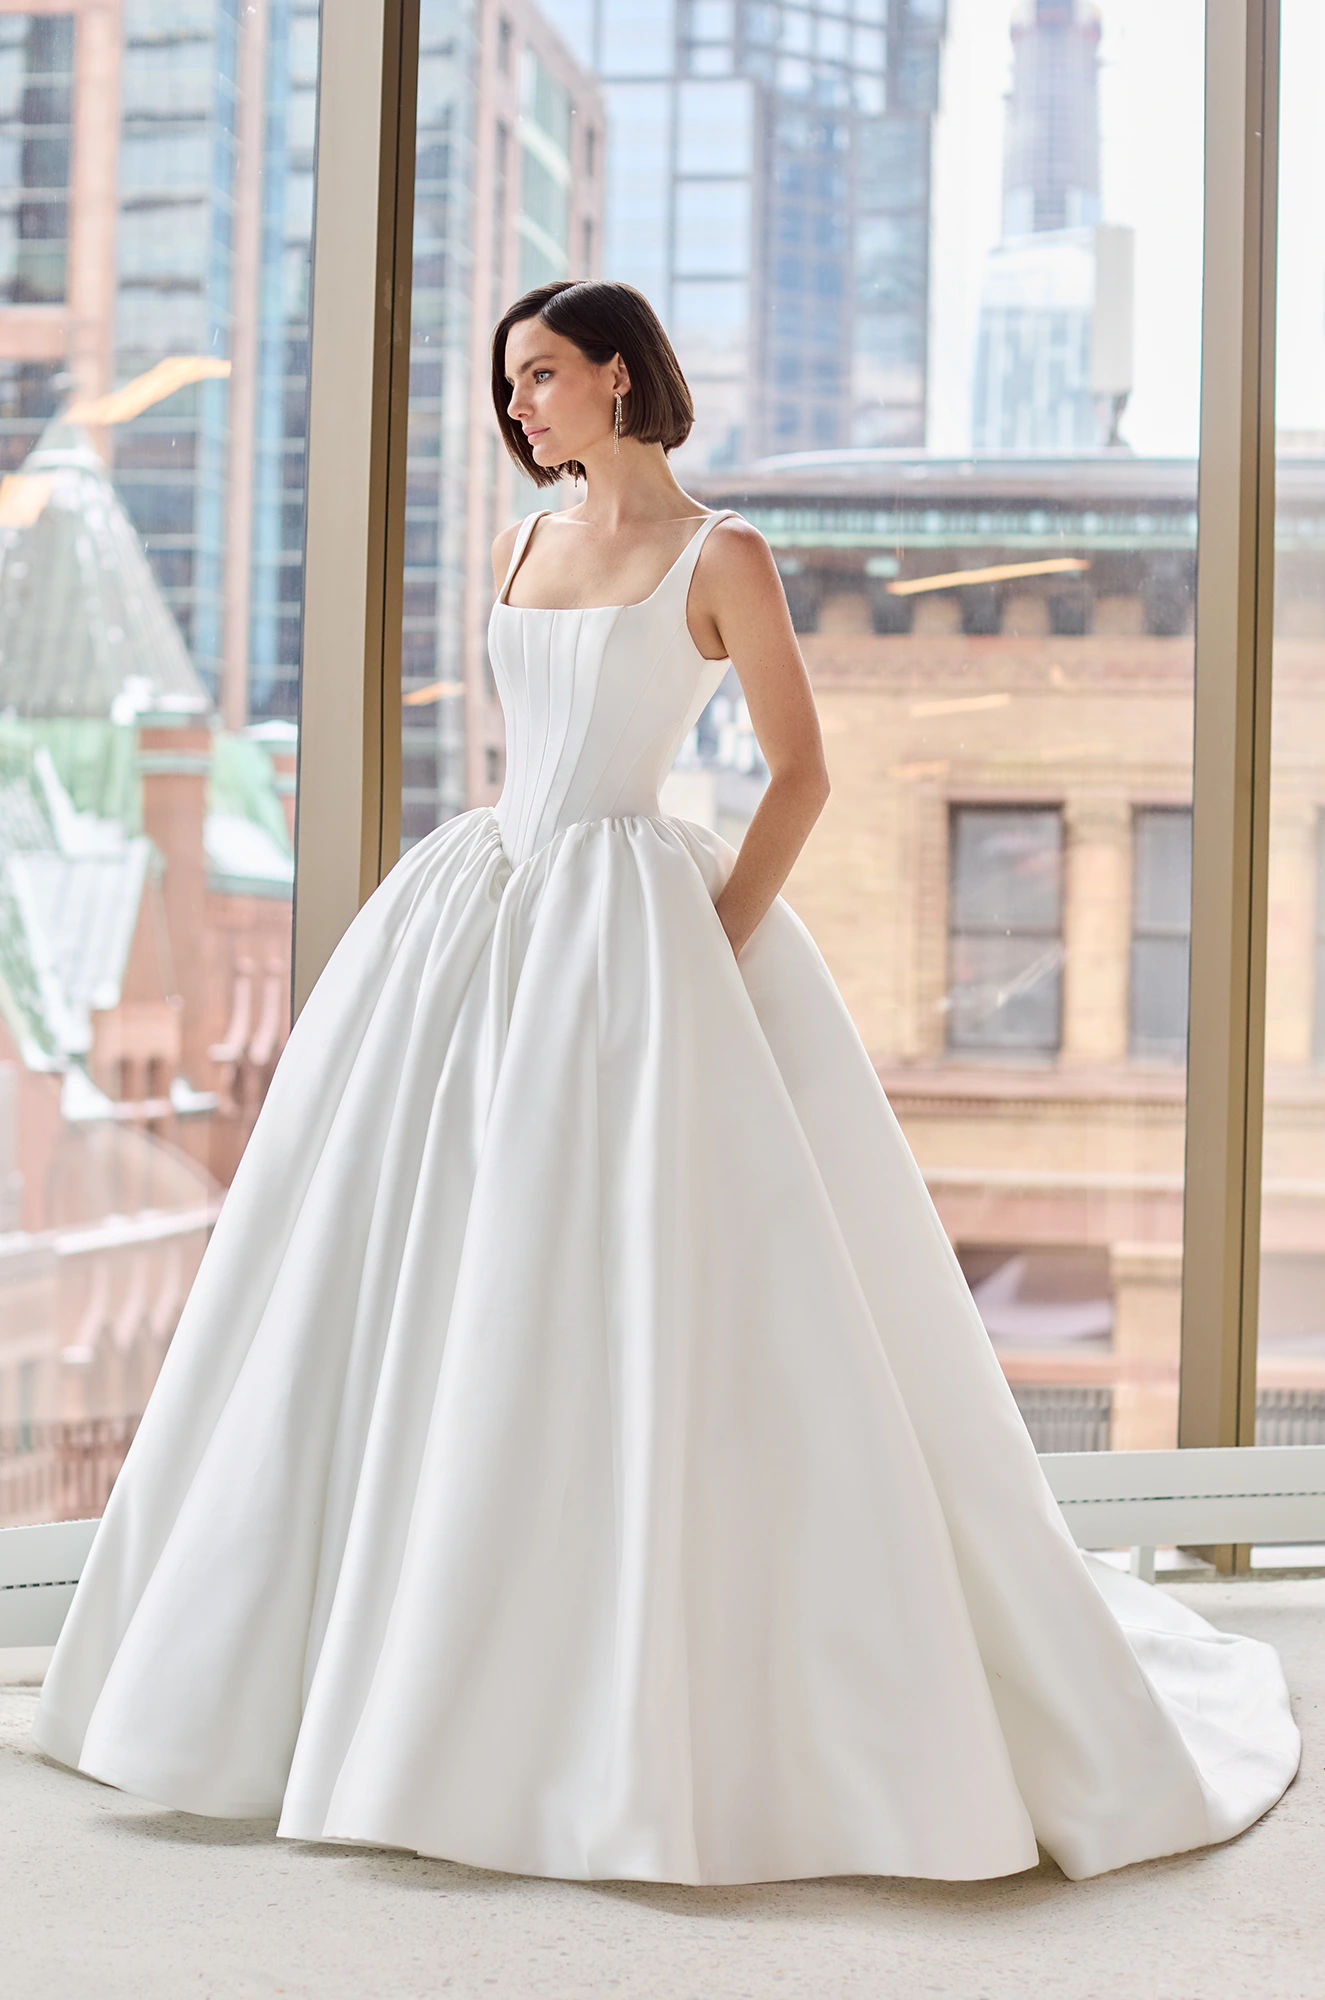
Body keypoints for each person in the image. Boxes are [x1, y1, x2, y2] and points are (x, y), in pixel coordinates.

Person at [34, 281, 1298, 1886]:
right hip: (485, 909)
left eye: (543, 378)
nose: (521, 409)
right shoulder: (523, 542)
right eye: (509, 387)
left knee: (638, 1282)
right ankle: (376, 1661)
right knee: (427, 1274)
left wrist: (716, 931)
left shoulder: (724, 556)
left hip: (636, 927)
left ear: (619, 377)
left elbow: (806, 768)